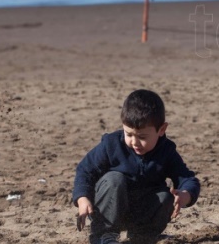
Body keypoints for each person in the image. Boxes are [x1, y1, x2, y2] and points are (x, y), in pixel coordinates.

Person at [73, 89, 201, 244]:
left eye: (142, 137)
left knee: (164, 196)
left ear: (161, 130)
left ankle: (142, 237)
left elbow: (187, 178)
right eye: (129, 134)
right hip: (109, 208)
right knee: (114, 179)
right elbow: (85, 170)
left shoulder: (166, 151)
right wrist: (82, 199)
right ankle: (104, 236)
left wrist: (184, 195)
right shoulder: (111, 144)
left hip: (142, 212)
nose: (134, 142)